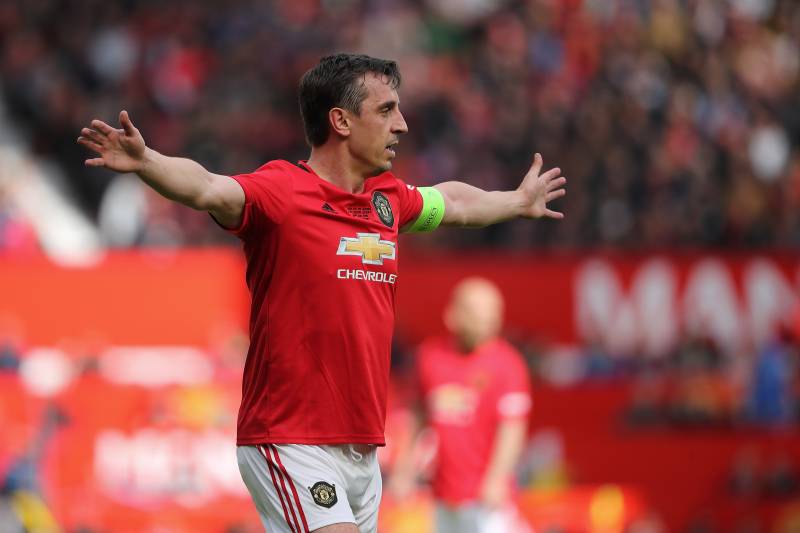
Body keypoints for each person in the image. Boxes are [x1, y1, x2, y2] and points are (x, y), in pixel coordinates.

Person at [77, 53, 564, 533]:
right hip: (290, 438)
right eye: (386, 110)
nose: (403, 125)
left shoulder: (388, 200)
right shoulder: (281, 193)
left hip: (361, 448)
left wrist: (516, 202)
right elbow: (208, 188)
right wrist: (149, 162)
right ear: (341, 121)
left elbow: (454, 201)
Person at [390, 277, 533, 533]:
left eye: (493, 312)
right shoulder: (430, 357)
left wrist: (497, 479)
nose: (488, 319)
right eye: (479, 311)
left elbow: (512, 428)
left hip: (487, 499)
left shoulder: (508, 363)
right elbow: (419, 416)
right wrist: (405, 470)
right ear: (453, 314)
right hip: (444, 496)